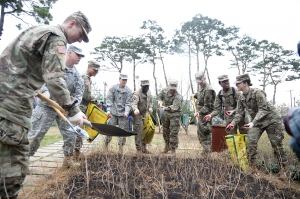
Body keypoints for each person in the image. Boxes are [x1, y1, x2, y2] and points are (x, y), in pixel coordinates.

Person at [0, 11, 92, 199]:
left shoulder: (37, 30)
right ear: (71, 23)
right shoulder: (56, 38)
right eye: (80, 34)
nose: (80, 40)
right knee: (15, 164)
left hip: (6, 98)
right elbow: (54, 78)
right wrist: (73, 110)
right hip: (13, 105)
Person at [28, 45, 85, 168]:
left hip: (64, 109)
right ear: (69, 53)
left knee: (71, 133)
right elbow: (41, 79)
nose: (80, 58)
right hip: (46, 106)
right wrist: (45, 92)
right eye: (78, 55)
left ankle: (68, 160)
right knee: (36, 134)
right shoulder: (53, 66)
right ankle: (22, 160)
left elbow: (78, 95)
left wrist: (71, 109)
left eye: (81, 56)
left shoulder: (77, 77)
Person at [226, 73, 288, 169]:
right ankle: (252, 167)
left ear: (245, 83)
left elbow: (263, 109)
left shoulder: (257, 92)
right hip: (257, 122)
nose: (236, 85)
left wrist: (252, 122)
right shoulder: (241, 97)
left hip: (272, 119)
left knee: (276, 144)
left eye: (238, 83)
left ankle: (283, 170)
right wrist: (232, 123)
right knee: (250, 142)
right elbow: (239, 113)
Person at [76, 60, 100, 157]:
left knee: (80, 129)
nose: (96, 72)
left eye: (97, 70)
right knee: (78, 129)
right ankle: (75, 152)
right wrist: (97, 102)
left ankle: (76, 151)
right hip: (80, 107)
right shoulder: (85, 78)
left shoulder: (88, 78)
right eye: (94, 70)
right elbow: (86, 96)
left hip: (83, 107)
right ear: (89, 67)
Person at [104, 74, 133, 154]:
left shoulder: (129, 91)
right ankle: (106, 146)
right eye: (123, 79)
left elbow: (128, 103)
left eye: (126, 80)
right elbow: (109, 99)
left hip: (123, 114)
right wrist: (108, 110)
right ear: (119, 79)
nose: (124, 81)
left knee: (122, 131)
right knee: (110, 129)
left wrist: (126, 112)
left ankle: (120, 149)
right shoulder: (113, 88)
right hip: (113, 112)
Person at [192, 71, 216, 153]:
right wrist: (194, 95)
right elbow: (200, 96)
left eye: (200, 81)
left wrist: (199, 112)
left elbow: (208, 106)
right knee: (201, 133)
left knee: (204, 132)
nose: (199, 83)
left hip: (206, 115)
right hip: (202, 115)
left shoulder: (208, 90)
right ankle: (206, 150)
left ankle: (208, 150)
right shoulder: (202, 87)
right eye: (198, 82)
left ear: (204, 79)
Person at [158, 79, 183, 154]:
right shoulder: (164, 91)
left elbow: (174, 107)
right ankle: (167, 145)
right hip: (166, 114)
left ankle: (173, 149)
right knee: (165, 131)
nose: (172, 90)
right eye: (171, 88)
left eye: (174, 89)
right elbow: (159, 96)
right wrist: (160, 101)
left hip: (175, 114)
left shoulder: (178, 96)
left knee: (173, 132)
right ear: (169, 86)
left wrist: (164, 108)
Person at [131, 79, 153, 154]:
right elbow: (133, 103)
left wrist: (150, 107)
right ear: (141, 86)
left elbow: (150, 101)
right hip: (138, 115)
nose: (146, 88)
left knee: (146, 131)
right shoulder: (137, 93)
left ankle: (144, 148)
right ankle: (139, 149)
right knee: (138, 132)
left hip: (146, 114)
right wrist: (135, 109)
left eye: (147, 86)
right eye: (144, 87)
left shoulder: (149, 92)